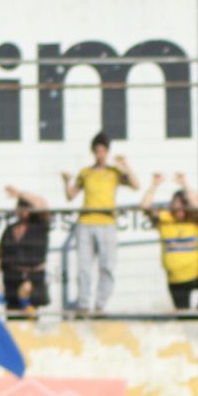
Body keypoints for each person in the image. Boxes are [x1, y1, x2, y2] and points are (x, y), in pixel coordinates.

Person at [59, 133, 134, 314]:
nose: (100, 154)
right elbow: (71, 195)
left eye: (103, 151)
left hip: (107, 222)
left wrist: (126, 166)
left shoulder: (113, 172)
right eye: (97, 151)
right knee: (84, 266)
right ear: (93, 152)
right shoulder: (86, 172)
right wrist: (66, 182)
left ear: (107, 152)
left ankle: (100, 305)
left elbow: (135, 184)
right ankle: (83, 305)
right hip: (86, 221)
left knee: (107, 265)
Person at [144, 173, 198, 311]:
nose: (179, 208)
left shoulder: (194, 222)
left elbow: (197, 206)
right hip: (176, 280)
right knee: (184, 316)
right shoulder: (166, 222)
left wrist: (185, 185)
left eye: (182, 204)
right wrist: (154, 185)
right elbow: (145, 207)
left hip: (195, 275)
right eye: (175, 204)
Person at [0, 187, 53, 317]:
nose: (23, 210)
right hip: (12, 278)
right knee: (13, 317)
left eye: (26, 207)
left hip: (33, 278)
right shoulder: (10, 229)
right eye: (20, 206)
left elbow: (42, 204)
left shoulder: (40, 226)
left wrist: (21, 194)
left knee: (30, 315)